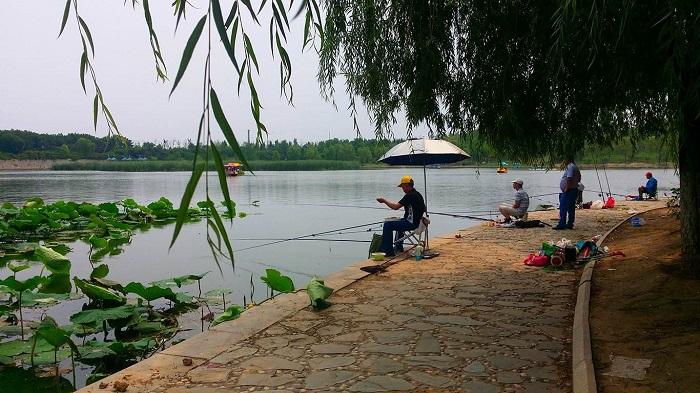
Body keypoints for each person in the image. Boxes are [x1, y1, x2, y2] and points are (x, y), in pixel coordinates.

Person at [376, 175, 426, 257]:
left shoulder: (409, 195)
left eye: (402, 187)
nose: (402, 189)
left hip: (411, 223)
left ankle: (388, 252)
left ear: (406, 185)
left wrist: (384, 201)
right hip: (417, 222)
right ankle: (399, 247)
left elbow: (395, 207)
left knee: (387, 225)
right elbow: (424, 209)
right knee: (398, 221)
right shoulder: (418, 194)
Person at [554, 157, 581, 230]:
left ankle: (562, 224)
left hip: (569, 190)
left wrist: (567, 188)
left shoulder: (570, 166)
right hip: (573, 189)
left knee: (563, 206)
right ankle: (570, 223)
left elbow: (569, 178)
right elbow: (579, 177)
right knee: (571, 207)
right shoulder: (575, 167)